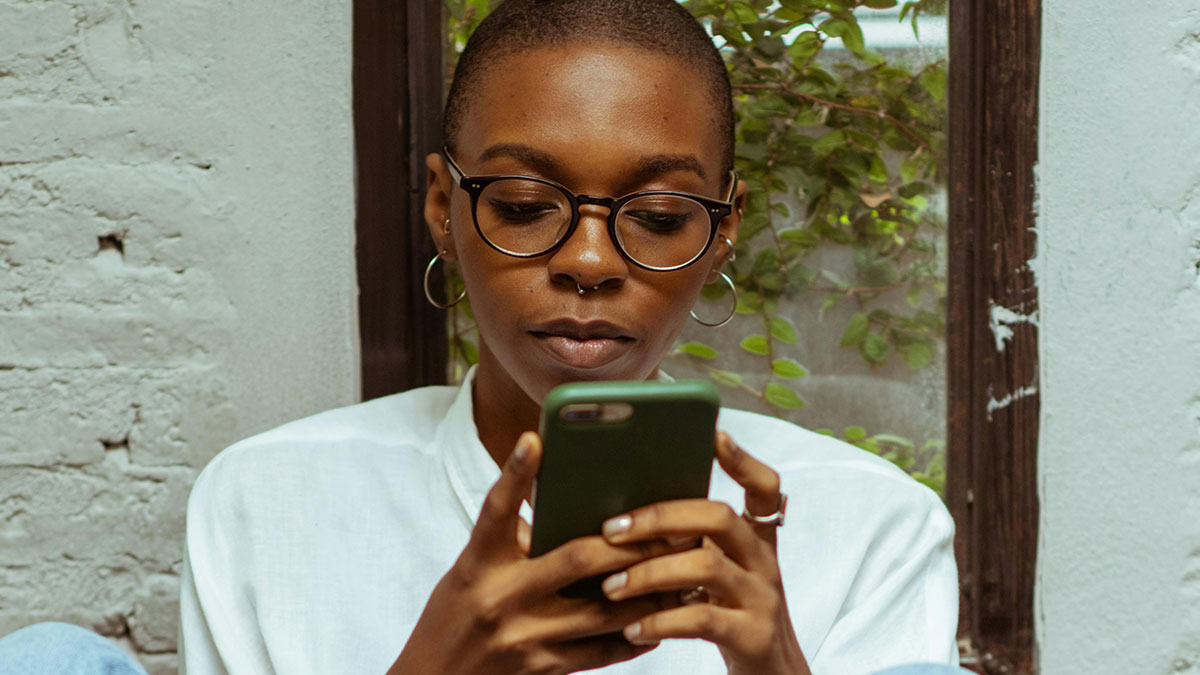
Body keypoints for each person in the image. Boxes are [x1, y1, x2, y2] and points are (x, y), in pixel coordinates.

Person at [179, 1, 963, 673]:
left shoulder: (870, 525)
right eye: (524, 205)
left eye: (658, 218)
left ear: (723, 231)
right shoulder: (267, 505)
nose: (588, 261)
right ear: (441, 207)